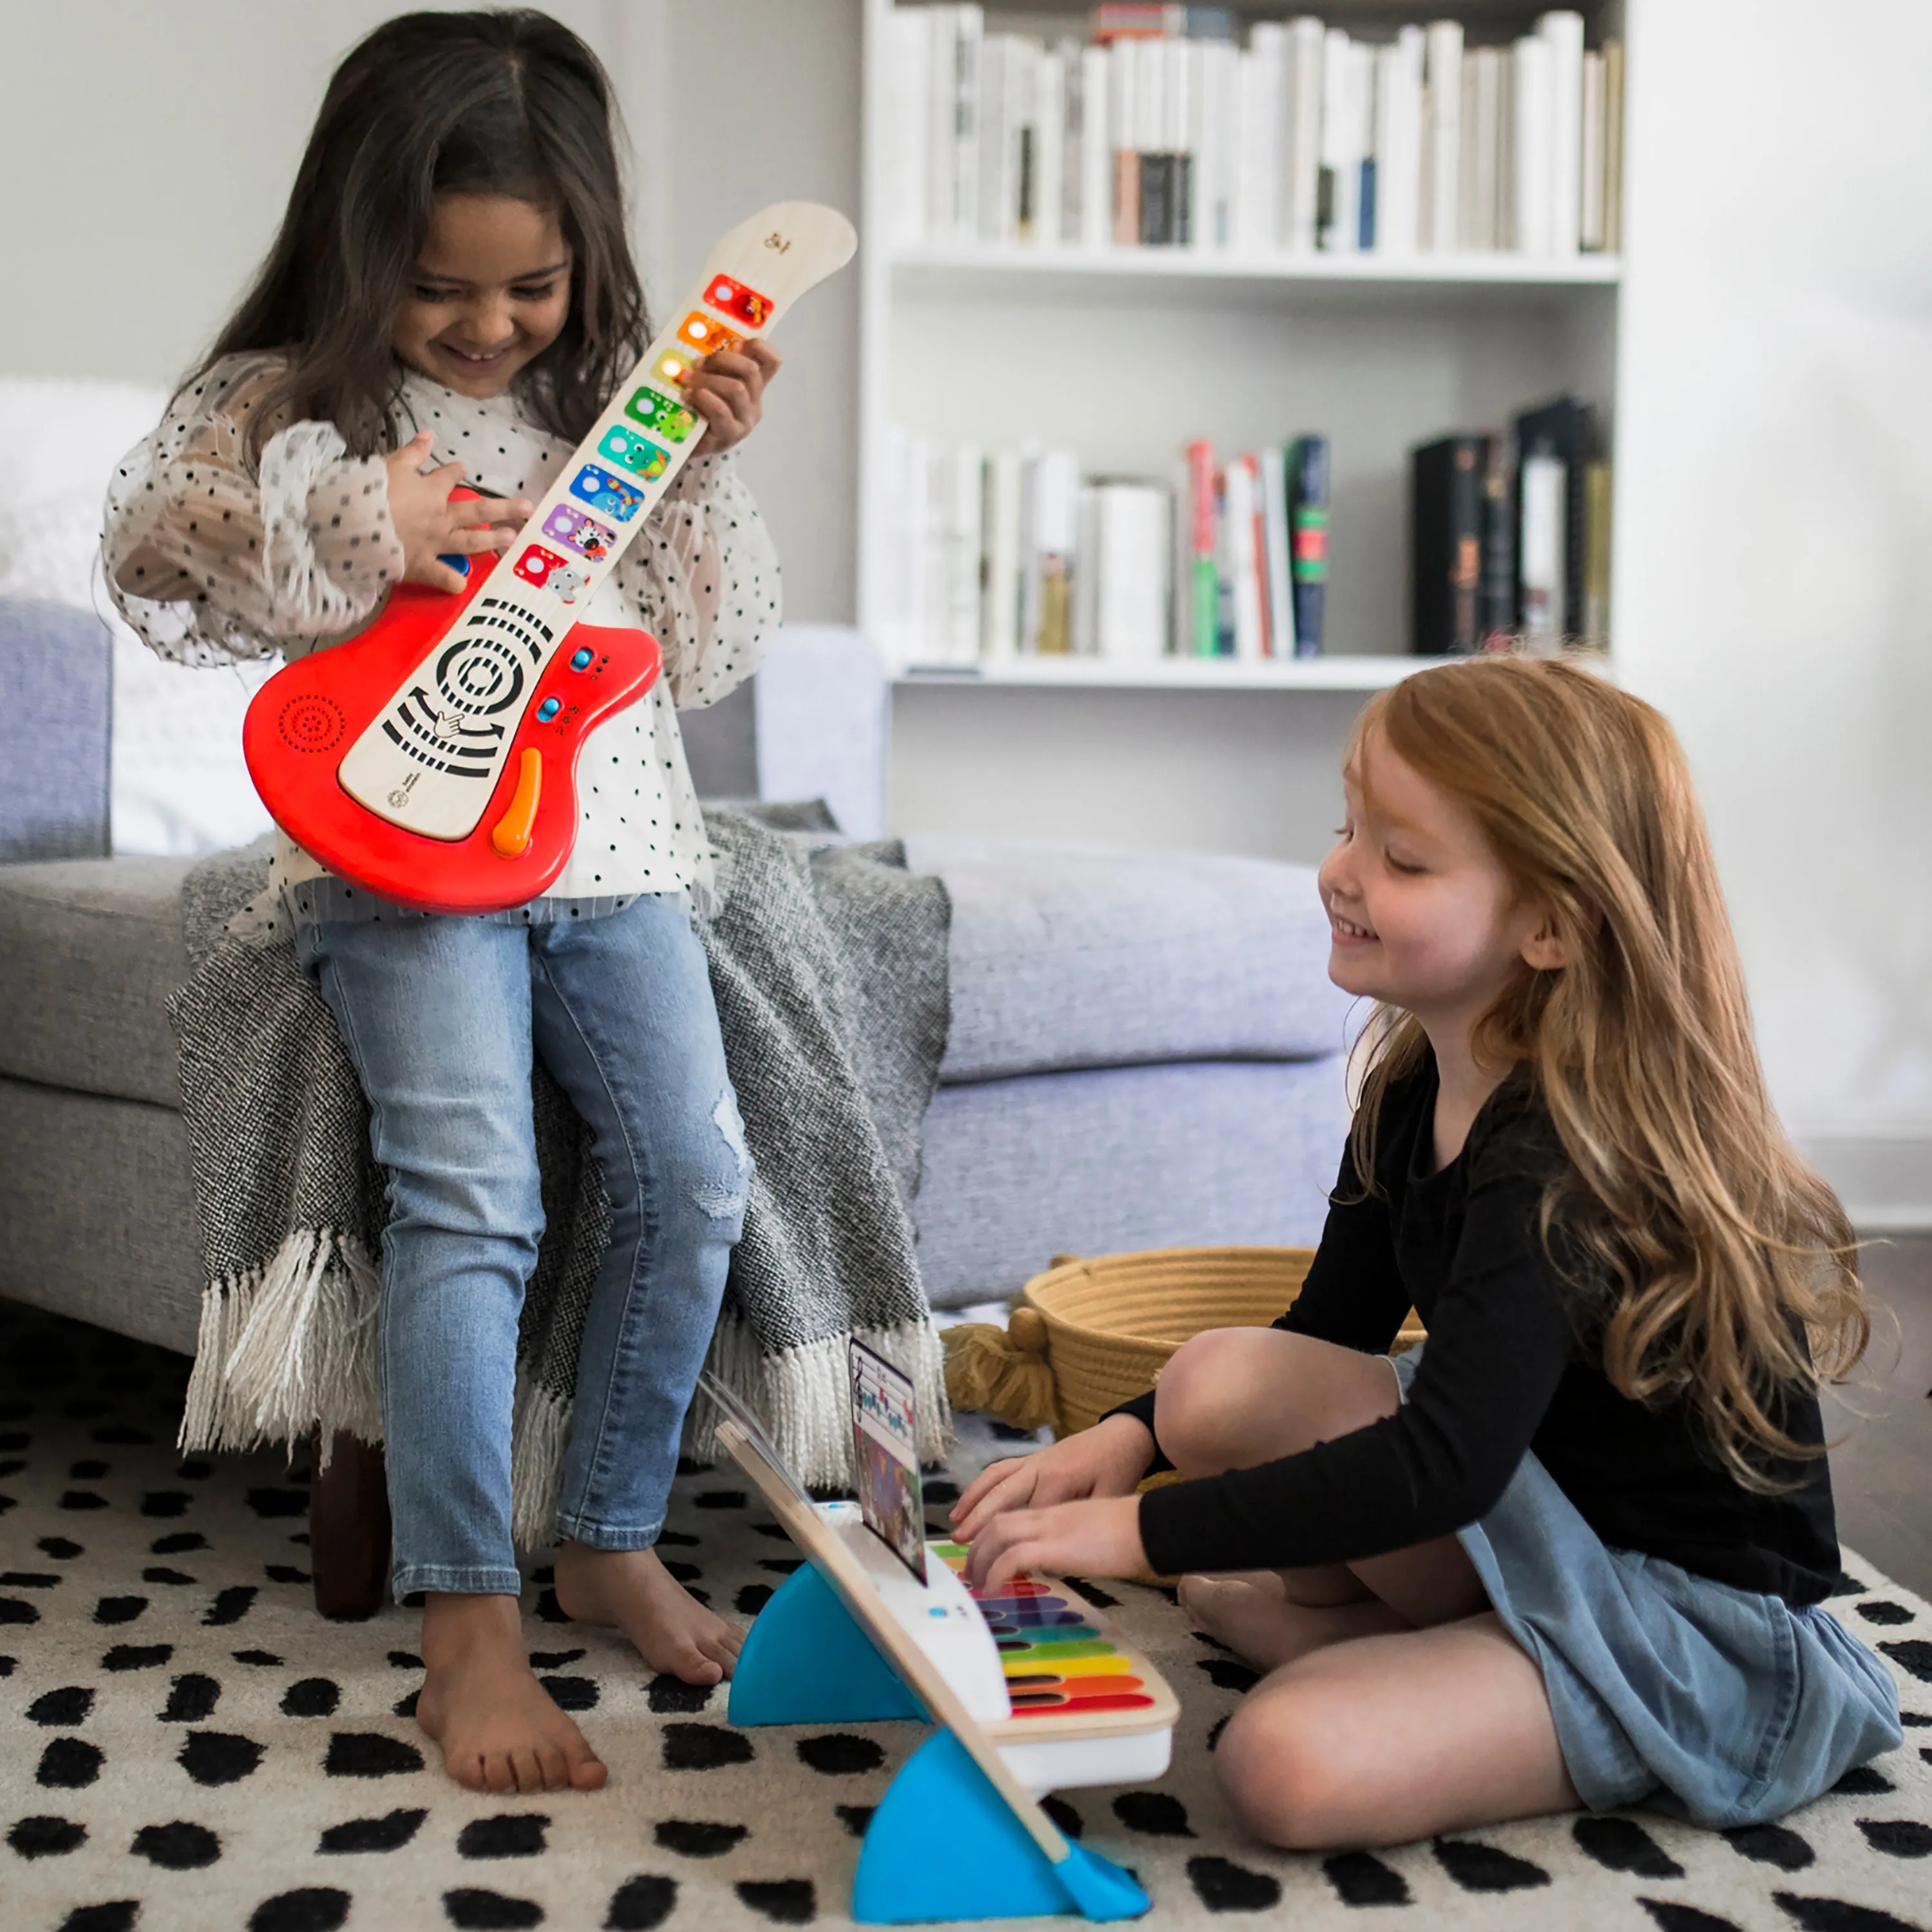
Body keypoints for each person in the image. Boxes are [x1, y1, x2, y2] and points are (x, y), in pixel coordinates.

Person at [104, 11, 784, 1795]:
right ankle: (464, 1618)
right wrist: (348, 526)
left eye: (533, 288)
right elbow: (156, 550)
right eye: (439, 291)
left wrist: (695, 463)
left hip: (617, 838)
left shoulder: (615, 399)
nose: (488, 329)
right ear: (352, 246)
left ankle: (610, 1531)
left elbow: (705, 645)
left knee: (696, 1165)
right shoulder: (289, 398)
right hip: (401, 855)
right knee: (469, 1192)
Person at [953, 658, 1902, 1847]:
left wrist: (1138, 1531)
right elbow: (1322, 1336)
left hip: (1691, 1621)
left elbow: (1442, 1466)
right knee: (1210, 1384)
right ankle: (1433, 1646)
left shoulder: (1564, 1159)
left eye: (1402, 860)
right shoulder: (1415, 1086)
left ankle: (1460, 1668)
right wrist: (1127, 1437)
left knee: (1285, 1763)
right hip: (1542, 1521)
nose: (1339, 876)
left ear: (1552, 925)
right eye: (1350, 830)